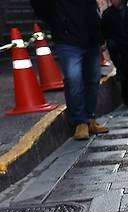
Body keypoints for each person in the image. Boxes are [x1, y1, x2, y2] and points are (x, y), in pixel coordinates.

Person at [30, 0, 110, 140]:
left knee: (93, 80)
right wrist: (59, 23)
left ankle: (90, 118)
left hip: (91, 37)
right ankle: (80, 121)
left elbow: (93, 8)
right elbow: (41, 7)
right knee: (73, 78)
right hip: (68, 39)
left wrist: (101, 35)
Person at [101, 0, 128, 108]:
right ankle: (127, 97)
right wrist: (104, 42)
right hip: (114, 47)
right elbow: (102, 30)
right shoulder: (107, 14)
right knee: (122, 70)